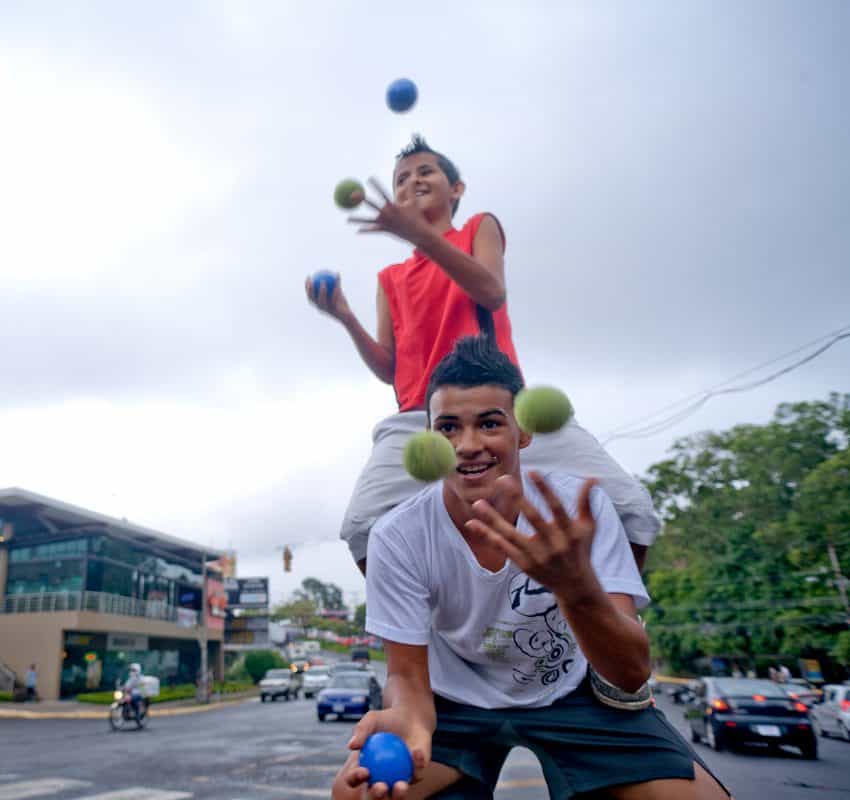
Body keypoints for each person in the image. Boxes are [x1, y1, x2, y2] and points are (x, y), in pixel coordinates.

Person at [331, 337, 730, 800]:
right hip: (455, 705)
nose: (468, 445)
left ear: (523, 432)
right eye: (448, 428)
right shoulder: (396, 535)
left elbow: (630, 673)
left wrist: (575, 588)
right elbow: (407, 679)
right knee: (355, 795)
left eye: (490, 423)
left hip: (574, 696)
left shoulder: (580, 509)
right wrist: (409, 720)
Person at [306, 135, 660, 577]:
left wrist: (419, 233)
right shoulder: (391, 278)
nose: (413, 181)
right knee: (362, 524)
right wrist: (344, 316)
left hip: (504, 407)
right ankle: (428, 625)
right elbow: (388, 369)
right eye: (401, 178)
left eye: (425, 171)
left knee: (631, 509)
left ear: (456, 189)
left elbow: (491, 291)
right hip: (422, 417)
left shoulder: (479, 228)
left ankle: (606, 612)